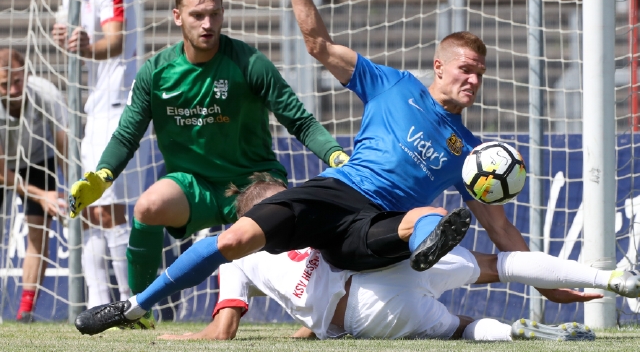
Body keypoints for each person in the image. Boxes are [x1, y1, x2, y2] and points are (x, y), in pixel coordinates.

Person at [71, 0, 585, 334]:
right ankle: (133, 306)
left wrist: (552, 288)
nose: (473, 80)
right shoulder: (392, 84)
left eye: (480, 74)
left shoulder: (472, 155)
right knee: (232, 239)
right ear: (439, 66)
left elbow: (501, 230)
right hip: (336, 192)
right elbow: (318, 44)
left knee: (423, 223)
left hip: (377, 228)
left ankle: (419, 247)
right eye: (465, 69)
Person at [66, 0, 350, 328]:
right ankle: (140, 311)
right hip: (194, 186)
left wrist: (335, 154)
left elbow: (300, 121)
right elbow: (126, 136)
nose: (207, 24)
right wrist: (103, 175)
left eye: (215, 14)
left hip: (252, 180)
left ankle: (327, 307)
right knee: (148, 206)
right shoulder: (156, 72)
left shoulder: (250, 63)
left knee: (283, 218)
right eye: (197, 15)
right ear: (177, 17)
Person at [158, 179, 637, 342]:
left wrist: (181, 336)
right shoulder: (313, 213)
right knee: (499, 265)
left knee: (457, 328)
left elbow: (224, 329)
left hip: (366, 309)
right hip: (389, 262)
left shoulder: (236, 255)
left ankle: (514, 333)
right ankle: (610, 276)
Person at [51, 0, 151, 311]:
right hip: (94, 108)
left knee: (110, 207)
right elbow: (78, 39)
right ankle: (97, 303)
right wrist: (65, 38)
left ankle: (130, 304)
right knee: (86, 206)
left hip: (120, 107)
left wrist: (86, 46)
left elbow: (115, 41)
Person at [0, 48, 67, 322]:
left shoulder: (46, 93)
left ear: (26, 74)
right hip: (3, 166)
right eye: (5, 84)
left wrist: (73, 189)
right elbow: (2, 173)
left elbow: (63, 147)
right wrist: (42, 196)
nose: (13, 90)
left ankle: (25, 312)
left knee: (38, 234)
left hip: (39, 159)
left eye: (18, 81)